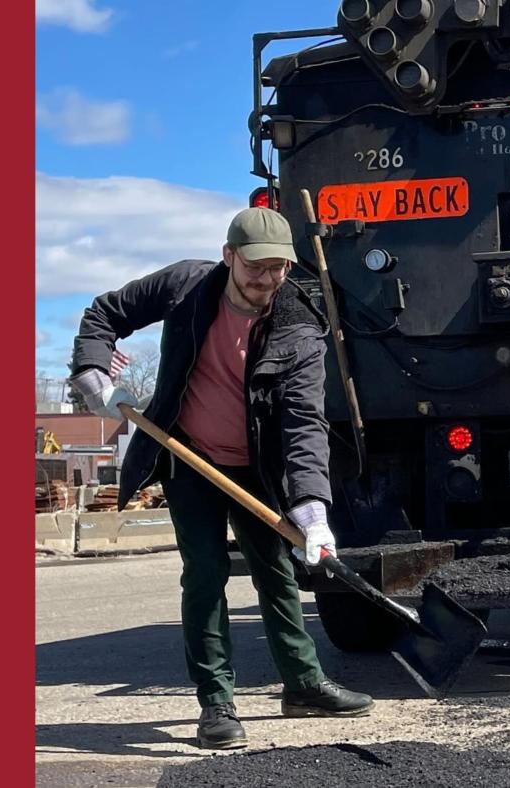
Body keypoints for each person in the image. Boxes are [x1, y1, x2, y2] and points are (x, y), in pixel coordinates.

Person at [68, 207, 373, 749]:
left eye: (278, 268)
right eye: (255, 266)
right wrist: (91, 371)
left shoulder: (299, 323)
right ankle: (216, 704)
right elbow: (104, 313)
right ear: (229, 256)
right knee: (205, 574)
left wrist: (312, 508)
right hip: (188, 453)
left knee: (277, 571)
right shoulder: (184, 286)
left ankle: (304, 686)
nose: (266, 279)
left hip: (258, 466)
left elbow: (304, 421)